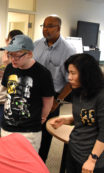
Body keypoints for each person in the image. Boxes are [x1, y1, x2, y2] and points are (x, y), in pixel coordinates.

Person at [50, 53, 104, 173]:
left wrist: (92, 160)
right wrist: (66, 120)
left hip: (90, 158)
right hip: (74, 151)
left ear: (86, 74)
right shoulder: (78, 91)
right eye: (69, 73)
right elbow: (85, 117)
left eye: (73, 73)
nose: (69, 78)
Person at [0, 35, 55, 152]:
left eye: (17, 55)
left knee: (26, 165)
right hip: (7, 127)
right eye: (10, 54)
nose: (13, 59)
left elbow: (48, 99)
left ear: (29, 54)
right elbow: (7, 91)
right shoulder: (9, 68)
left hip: (29, 131)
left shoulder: (43, 73)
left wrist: (43, 116)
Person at [33, 15, 76, 162]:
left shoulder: (69, 51)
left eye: (50, 26)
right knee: (28, 135)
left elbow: (71, 82)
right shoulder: (36, 45)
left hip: (52, 99)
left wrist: (57, 101)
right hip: (31, 97)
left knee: (44, 138)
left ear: (58, 28)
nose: (46, 29)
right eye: (44, 26)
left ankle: (39, 171)